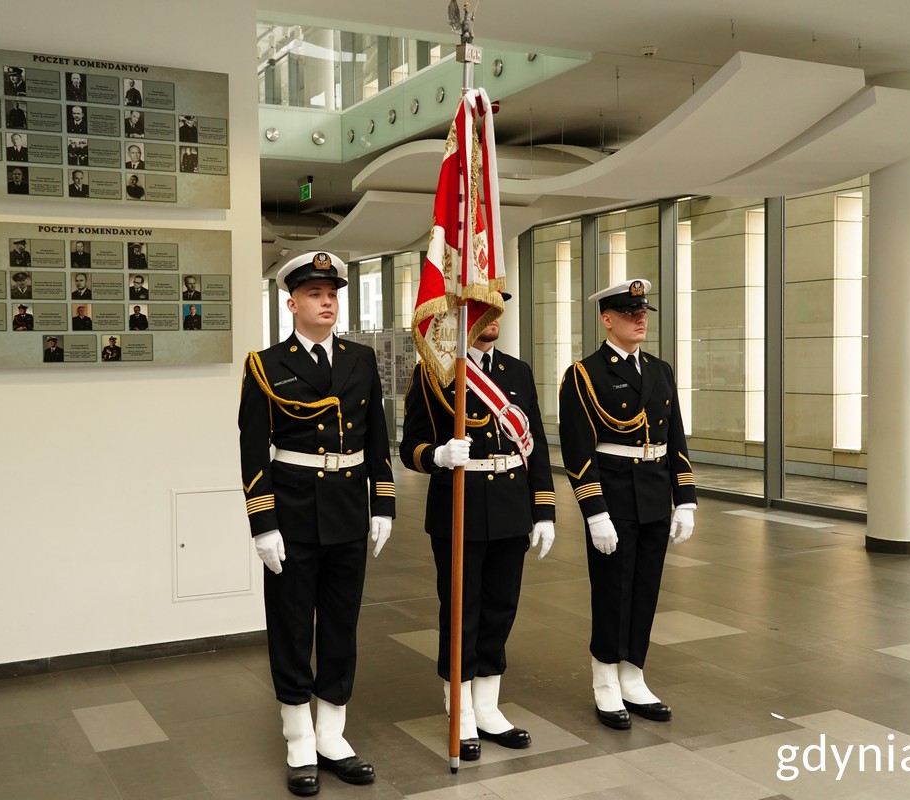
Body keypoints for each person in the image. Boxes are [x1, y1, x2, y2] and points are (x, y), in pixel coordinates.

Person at [238, 251, 394, 796]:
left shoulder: (361, 359)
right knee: (291, 625)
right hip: (294, 512)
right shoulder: (266, 365)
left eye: (332, 294)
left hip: (348, 509)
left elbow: (378, 436)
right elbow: (253, 449)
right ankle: (298, 735)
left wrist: (383, 504)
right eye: (314, 294)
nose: (327, 302)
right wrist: (263, 523)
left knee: (340, 624)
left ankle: (331, 732)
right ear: (292, 304)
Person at [399, 301, 556, 760]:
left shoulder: (517, 371)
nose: (494, 320)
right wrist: (437, 455)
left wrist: (544, 510)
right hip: (459, 506)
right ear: (461, 317)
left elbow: (536, 445)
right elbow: (410, 445)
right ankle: (461, 707)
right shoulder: (434, 372)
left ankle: (487, 705)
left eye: (497, 311)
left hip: (510, 505)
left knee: (501, 608)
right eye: (483, 311)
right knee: (461, 610)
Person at [557, 279, 697, 731]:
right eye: (629, 313)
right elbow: (578, 450)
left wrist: (685, 499)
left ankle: (633, 675)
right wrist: (594, 512)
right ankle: (605, 681)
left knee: (645, 590)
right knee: (612, 592)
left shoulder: (660, 370)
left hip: (655, 494)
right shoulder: (585, 374)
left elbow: (675, 436)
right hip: (614, 498)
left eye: (642, 312)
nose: (640, 319)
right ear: (607, 319)